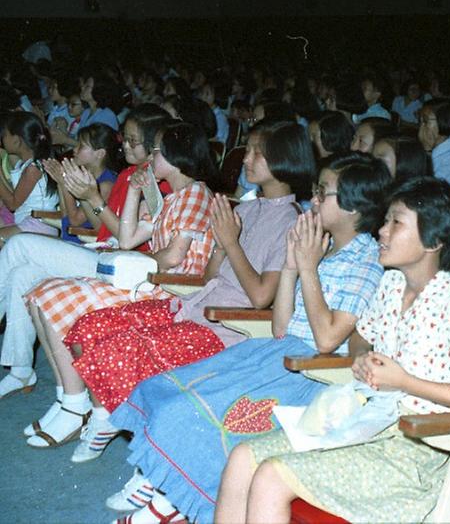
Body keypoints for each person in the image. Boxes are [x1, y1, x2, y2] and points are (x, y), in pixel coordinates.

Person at [104, 154, 389, 523]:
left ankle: (175, 501)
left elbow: (325, 339)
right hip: (277, 352)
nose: (313, 199)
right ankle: (168, 488)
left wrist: (306, 267)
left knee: (200, 414)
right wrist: (291, 266)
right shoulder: (320, 243)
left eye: (323, 193)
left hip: (312, 374)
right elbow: (281, 327)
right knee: (174, 390)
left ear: (355, 206)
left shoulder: (365, 262)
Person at [25, 121, 315, 465]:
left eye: (256, 152)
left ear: (282, 160)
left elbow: (260, 297)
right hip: (193, 305)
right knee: (87, 328)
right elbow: (210, 276)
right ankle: (101, 413)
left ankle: (110, 422)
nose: (246, 159)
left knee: (115, 349)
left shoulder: (289, 220)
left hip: (227, 327)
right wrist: (223, 247)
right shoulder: (247, 209)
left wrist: (230, 243)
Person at [215, 177, 450, 524]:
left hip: (414, 449)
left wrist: (405, 381)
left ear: (435, 241)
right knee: (243, 456)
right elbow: (361, 335)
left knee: (272, 476)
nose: (381, 231)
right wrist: (364, 355)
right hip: (365, 422)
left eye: (396, 223)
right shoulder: (393, 283)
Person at [24, 122, 217, 449]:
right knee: (41, 293)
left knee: (49, 296)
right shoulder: (173, 197)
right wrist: (135, 191)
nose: (151, 156)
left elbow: (172, 258)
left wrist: (134, 262)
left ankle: (75, 403)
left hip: (170, 291)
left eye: (157, 150)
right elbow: (128, 238)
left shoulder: (196, 194)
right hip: (151, 283)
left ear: (176, 156)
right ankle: (68, 398)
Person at [0, 106, 170, 400]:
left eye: (133, 141)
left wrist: (91, 196)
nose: (125, 146)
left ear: (156, 147)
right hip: (101, 251)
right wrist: (80, 192)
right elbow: (98, 227)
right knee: (21, 275)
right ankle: (20, 369)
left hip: (126, 267)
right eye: (125, 139)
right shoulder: (129, 174)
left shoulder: (155, 182)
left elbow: (126, 240)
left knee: (19, 244)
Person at [41, 123, 120, 244]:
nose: (75, 149)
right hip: (69, 240)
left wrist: (64, 182)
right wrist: (61, 182)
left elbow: (75, 221)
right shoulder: (83, 175)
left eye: (81, 146)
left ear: (100, 153)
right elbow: (65, 214)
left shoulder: (105, 185)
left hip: (84, 244)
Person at [0, 111, 58, 243]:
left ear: (16, 141)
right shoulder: (27, 164)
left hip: (40, 224)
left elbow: (13, 204)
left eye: (4, 135)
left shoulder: (34, 168)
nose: (2, 139)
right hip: (29, 222)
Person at [418, 98, 450, 185]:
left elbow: (430, 188)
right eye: (420, 121)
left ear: (443, 121)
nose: (421, 127)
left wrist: (427, 151)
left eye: (425, 121)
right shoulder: (420, 148)